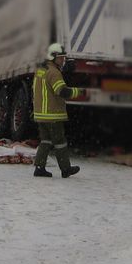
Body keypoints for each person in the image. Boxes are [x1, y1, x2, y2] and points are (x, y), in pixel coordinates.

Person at [32, 43, 82, 178]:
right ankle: (66, 169)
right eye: (60, 58)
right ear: (53, 57)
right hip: (52, 115)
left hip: (41, 114)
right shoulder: (54, 72)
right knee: (60, 142)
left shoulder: (41, 70)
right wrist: (80, 91)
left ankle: (39, 167)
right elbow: (62, 91)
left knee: (45, 141)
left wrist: (64, 71)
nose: (62, 60)